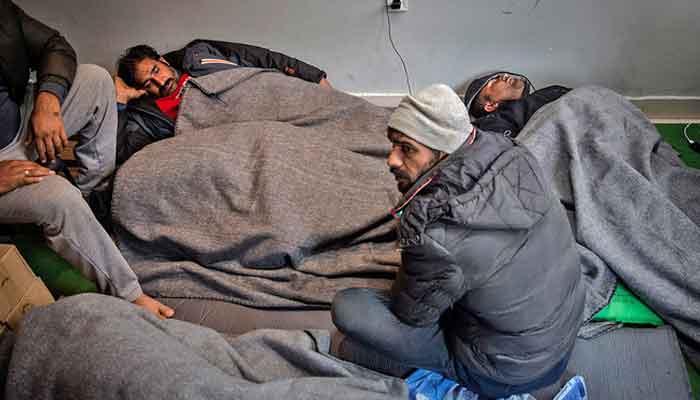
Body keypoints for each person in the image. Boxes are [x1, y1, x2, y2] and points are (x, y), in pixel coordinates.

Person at [331, 84, 585, 398]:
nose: (392, 160)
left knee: (349, 309)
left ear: (442, 150)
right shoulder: (516, 154)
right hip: (561, 340)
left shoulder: (435, 235)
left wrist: (417, 253)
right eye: (393, 145)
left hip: (506, 372)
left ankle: (466, 374)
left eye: (407, 149)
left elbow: (413, 314)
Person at [0, 0, 173, 319]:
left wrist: (48, 101)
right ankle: (131, 295)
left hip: (19, 121)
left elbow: (56, 45)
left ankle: (91, 204)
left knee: (96, 78)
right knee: (58, 197)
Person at [114, 39, 331, 166]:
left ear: (161, 60)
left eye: (156, 70)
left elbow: (259, 56)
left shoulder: (197, 54)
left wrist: (313, 76)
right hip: (240, 148)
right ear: (140, 90)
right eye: (149, 83)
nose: (161, 81)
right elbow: (124, 155)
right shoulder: (148, 116)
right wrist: (121, 102)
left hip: (270, 103)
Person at [463, 71, 570, 138]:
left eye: (497, 76)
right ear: (490, 105)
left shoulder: (551, 90)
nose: (503, 76)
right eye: (492, 83)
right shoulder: (492, 129)